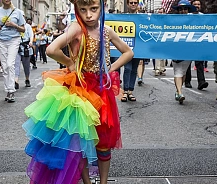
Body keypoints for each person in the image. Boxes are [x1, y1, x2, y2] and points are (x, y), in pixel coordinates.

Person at [22, 0, 133, 183]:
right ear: (77, 10)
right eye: (83, 10)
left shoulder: (106, 31)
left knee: (103, 142)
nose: (88, 15)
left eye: (94, 9)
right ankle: (88, 182)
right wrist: (70, 63)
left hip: (101, 93)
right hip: (80, 92)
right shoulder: (76, 28)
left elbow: (128, 52)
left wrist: (110, 69)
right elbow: (51, 49)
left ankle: (103, 181)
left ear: (102, 8)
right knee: (80, 142)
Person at [0, 0, 26, 102]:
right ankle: (8, 89)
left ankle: (11, 91)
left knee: (10, 64)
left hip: (14, 39)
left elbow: (23, 29)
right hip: (1, 40)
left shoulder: (17, 12)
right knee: (5, 66)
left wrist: (14, 25)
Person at [171, 0, 196, 104]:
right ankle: (180, 92)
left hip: (188, 51)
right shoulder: (173, 20)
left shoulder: (193, 20)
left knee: (183, 73)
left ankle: (178, 90)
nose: (183, 11)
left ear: (188, 10)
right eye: (181, 9)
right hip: (176, 49)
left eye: (185, 8)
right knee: (178, 71)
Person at [121, 0, 140, 102]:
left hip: (138, 47)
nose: (133, 4)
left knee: (134, 69)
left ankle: (130, 91)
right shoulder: (123, 17)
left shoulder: (142, 17)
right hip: (126, 47)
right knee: (127, 68)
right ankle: (125, 91)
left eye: (135, 2)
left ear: (137, 4)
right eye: (131, 2)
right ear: (127, 4)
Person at [14, 11, 34, 88]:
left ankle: (27, 79)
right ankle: (16, 81)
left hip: (26, 47)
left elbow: (31, 35)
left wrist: (31, 42)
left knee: (26, 65)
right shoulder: (15, 26)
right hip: (17, 47)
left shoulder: (28, 26)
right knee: (16, 64)